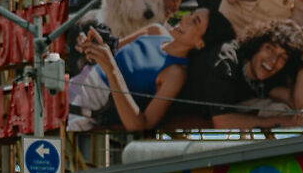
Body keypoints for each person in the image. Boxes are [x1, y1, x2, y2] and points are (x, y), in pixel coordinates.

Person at [77, 8, 211, 132]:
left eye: (195, 21)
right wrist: (89, 46)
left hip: (89, 101)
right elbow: (111, 50)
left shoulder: (175, 73)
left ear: (200, 44)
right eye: (191, 14)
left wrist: (112, 70)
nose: (186, 17)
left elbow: (141, 126)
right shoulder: (155, 31)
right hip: (80, 77)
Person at [197, 21, 303, 130]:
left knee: (282, 108)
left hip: (219, 115)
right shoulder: (227, 61)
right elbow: (222, 123)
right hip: (188, 115)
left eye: (282, 57)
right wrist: (291, 122)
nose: (273, 61)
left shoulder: (269, 73)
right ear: (257, 44)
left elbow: (299, 106)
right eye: (269, 48)